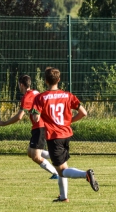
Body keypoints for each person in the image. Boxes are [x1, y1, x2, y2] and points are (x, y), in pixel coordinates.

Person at [32, 67, 99, 202]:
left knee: (61, 171)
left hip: (54, 136)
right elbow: (83, 113)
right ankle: (63, 197)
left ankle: (85, 174)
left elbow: (35, 118)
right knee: (63, 165)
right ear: (59, 79)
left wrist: (36, 115)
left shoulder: (41, 97)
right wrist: (69, 121)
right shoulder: (68, 95)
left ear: (45, 81)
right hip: (66, 134)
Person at [0, 75, 58, 179]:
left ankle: (56, 173)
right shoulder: (36, 92)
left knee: (35, 156)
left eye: (18, 85)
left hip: (40, 126)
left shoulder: (26, 97)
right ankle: (56, 155)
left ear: (21, 85)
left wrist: (4, 123)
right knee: (30, 152)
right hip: (41, 125)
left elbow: (19, 116)